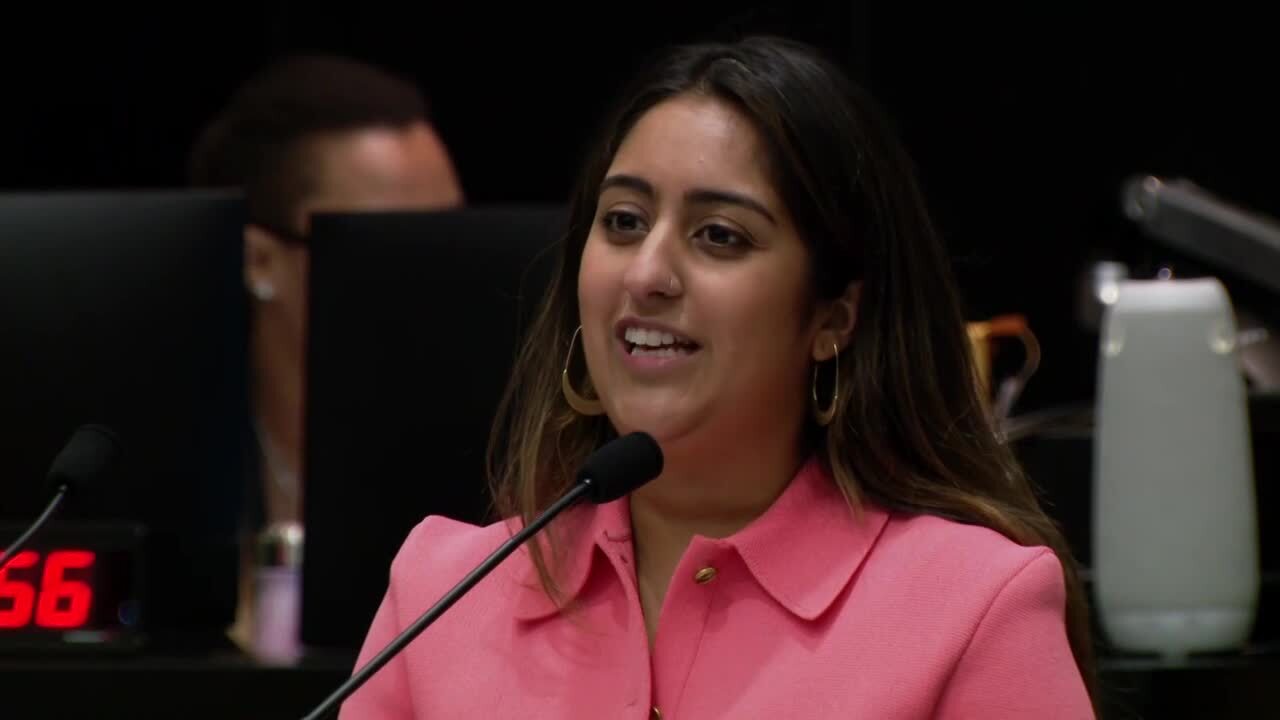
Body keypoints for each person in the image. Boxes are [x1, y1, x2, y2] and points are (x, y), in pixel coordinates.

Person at [341, 35, 1096, 718]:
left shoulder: (971, 609)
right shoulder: (440, 595)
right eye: (624, 221)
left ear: (834, 318)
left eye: (719, 236)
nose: (647, 274)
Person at [188, 53, 465, 657]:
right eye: (391, 247)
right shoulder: (175, 452)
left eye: (452, 238)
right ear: (261, 260)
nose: (441, 274)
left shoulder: (493, 459)